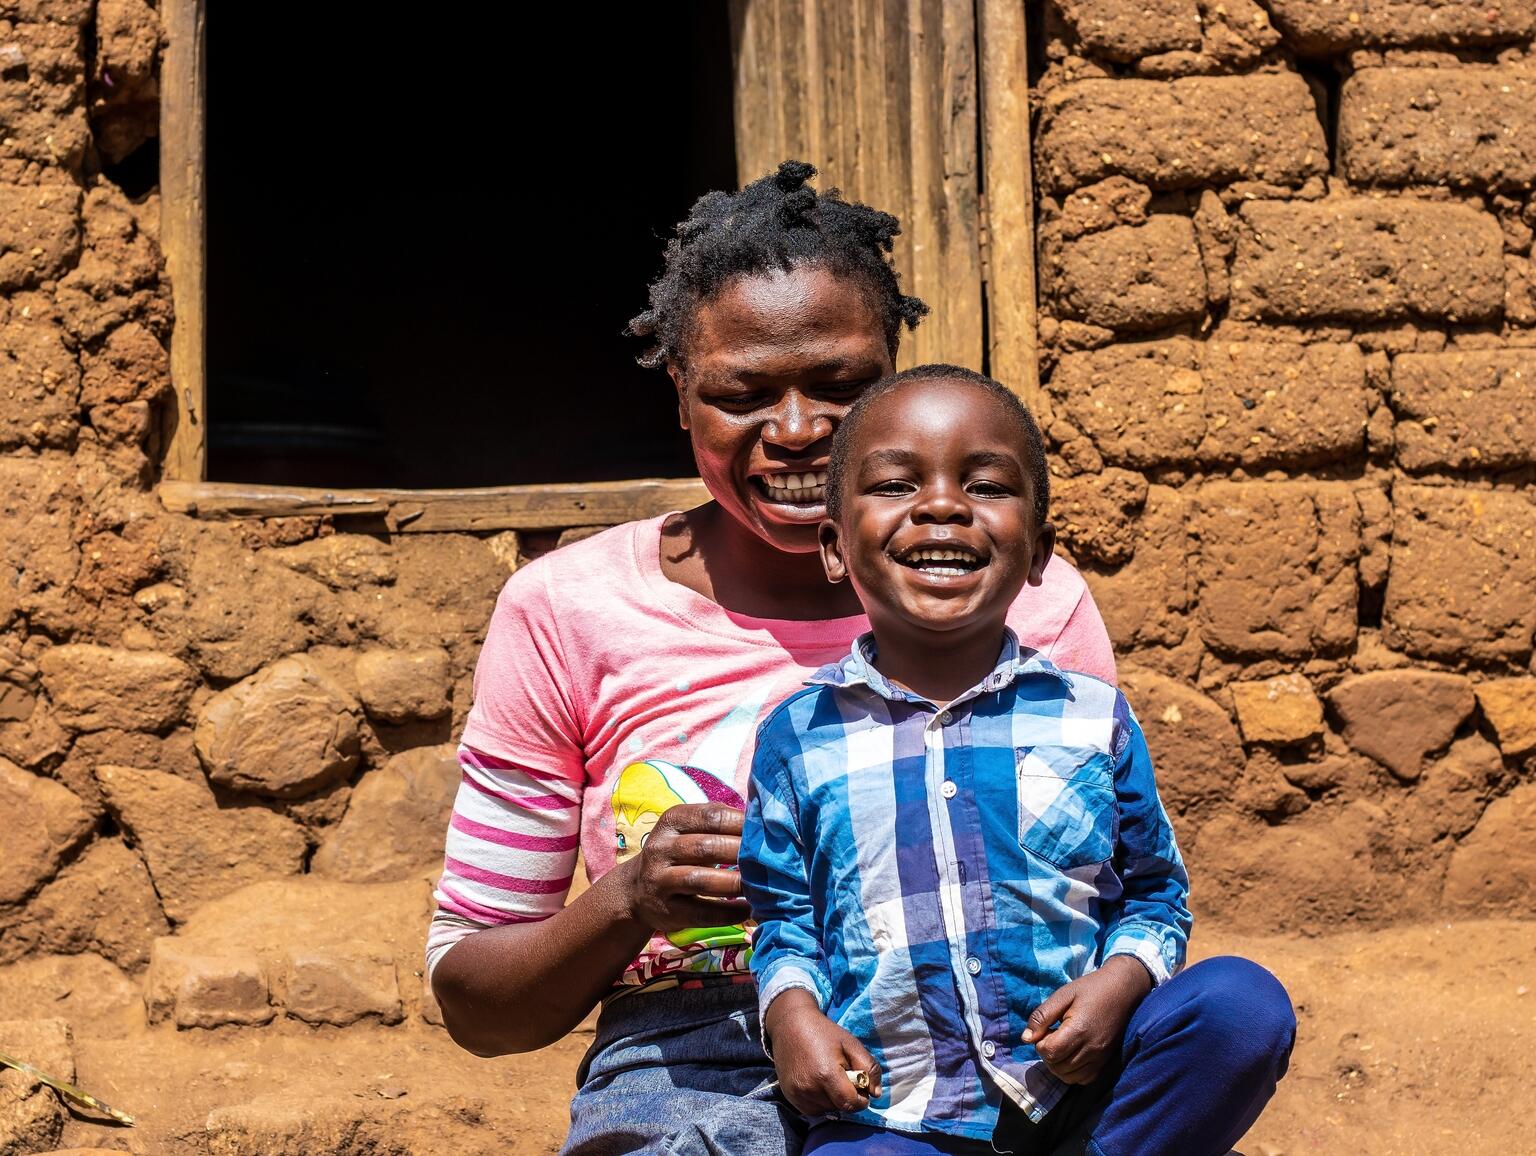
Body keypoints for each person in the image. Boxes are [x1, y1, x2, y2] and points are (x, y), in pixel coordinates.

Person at [426, 162, 1117, 1155]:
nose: (797, 431)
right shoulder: (568, 612)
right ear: (682, 399)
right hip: (689, 1058)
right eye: (743, 392)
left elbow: (1116, 902)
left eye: (842, 386)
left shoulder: (1028, 599)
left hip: (978, 1042)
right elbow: (476, 1000)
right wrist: (631, 900)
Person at [740, 366, 1296, 1156]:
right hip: (902, 1111)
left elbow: (1155, 894)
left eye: (986, 485)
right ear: (834, 547)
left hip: (1079, 1093)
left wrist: (1125, 980)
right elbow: (784, 922)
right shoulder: (797, 736)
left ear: (1037, 552)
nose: (941, 505)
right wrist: (791, 1015)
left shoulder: (1089, 715)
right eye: (897, 484)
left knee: (1240, 1008)